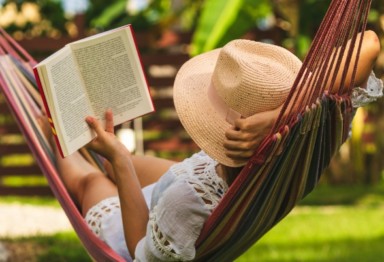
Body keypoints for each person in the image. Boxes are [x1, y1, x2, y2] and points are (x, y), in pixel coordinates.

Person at [40, 30, 382, 261]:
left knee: (92, 180)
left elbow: (140, 252)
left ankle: (54, 135)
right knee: (121, 159)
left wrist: (120, 161)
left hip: (147, 226)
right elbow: (369, 42)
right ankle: (107, 153)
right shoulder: (309, 138)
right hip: (207, 179)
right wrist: (282, 115)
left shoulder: (185, 204)